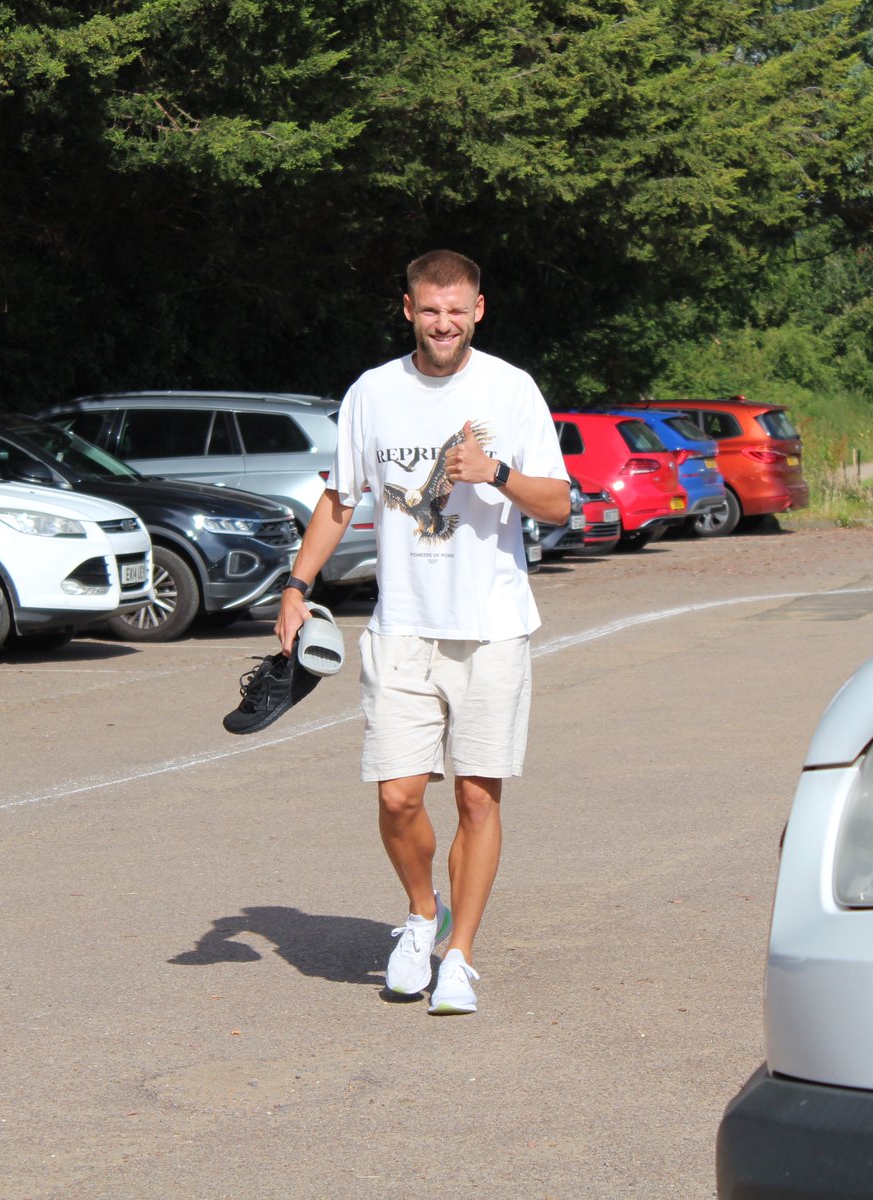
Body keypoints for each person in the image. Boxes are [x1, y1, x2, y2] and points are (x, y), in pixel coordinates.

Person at [274, 249, 570, 1014]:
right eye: (430, 310)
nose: (445, 323)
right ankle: (419, 914)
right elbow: (342, 501)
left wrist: (496, 473)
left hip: (492, 626)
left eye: (457, 310)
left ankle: (461, 957)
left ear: (479, 310)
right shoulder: (373, 393)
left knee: (477, 798)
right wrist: (297, 587)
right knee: (400, 796)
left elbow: (560, 506)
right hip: (401, 625)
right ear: (408, 310)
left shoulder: (512, 389)